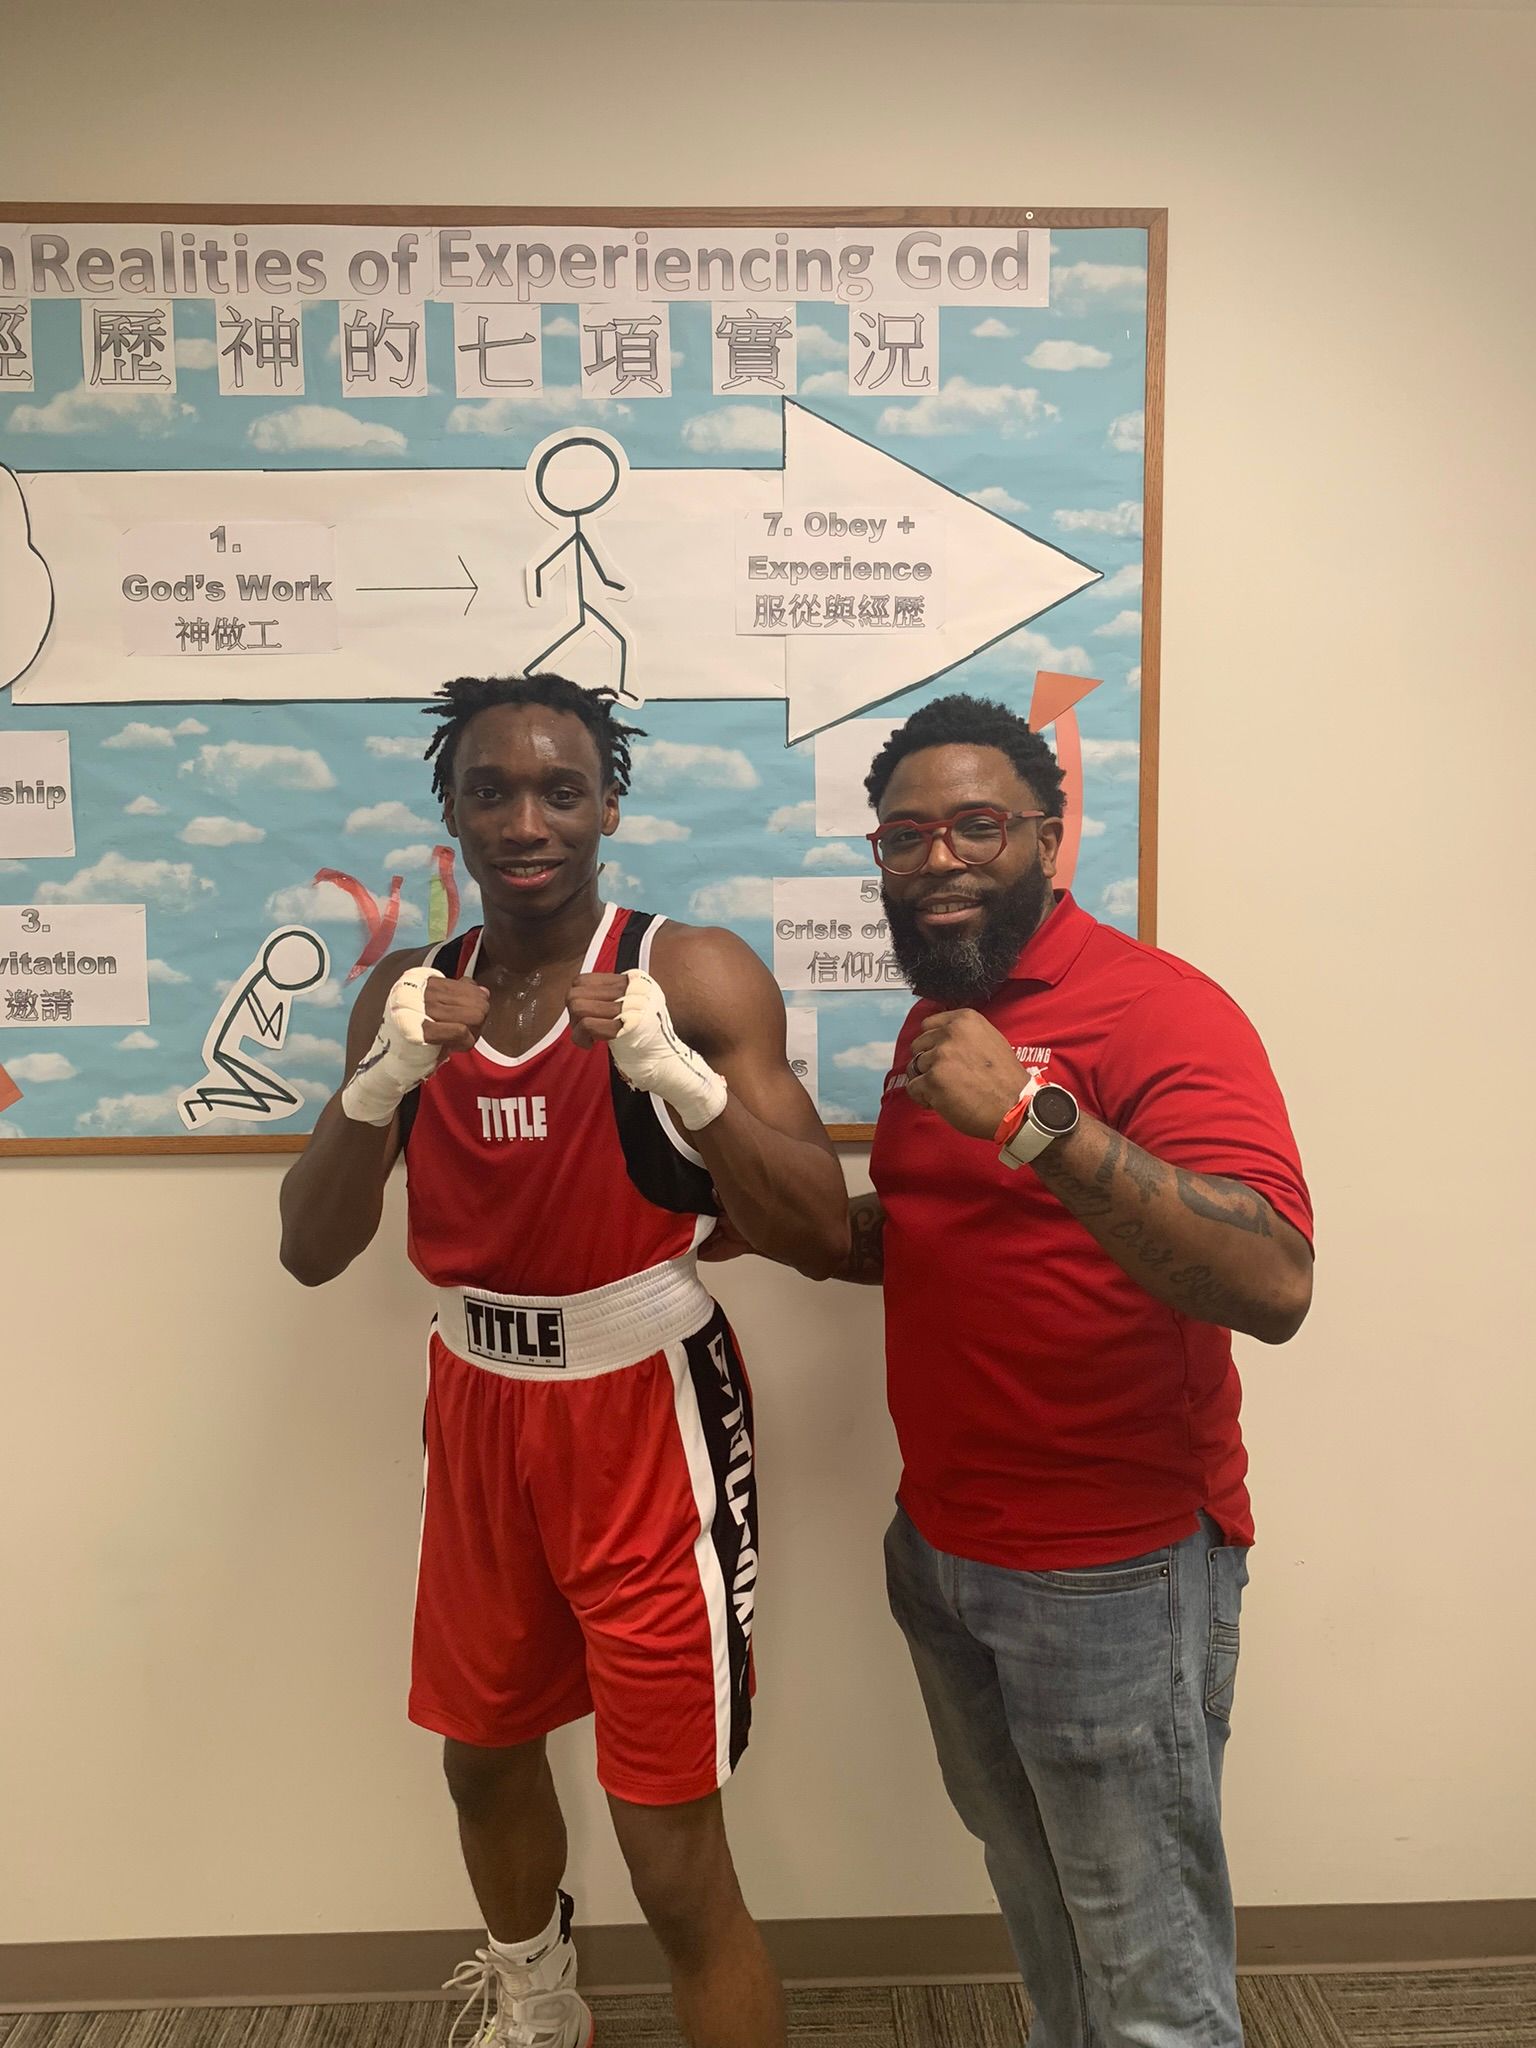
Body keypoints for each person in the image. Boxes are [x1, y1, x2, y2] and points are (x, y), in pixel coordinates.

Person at [729, 691, 1313, 2047]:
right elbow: (946, 1235)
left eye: (977, 827)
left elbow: (1275, 1280)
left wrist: (1034, 1120)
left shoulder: (1157, 1012)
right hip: (943, 1548)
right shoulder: (942, 1024)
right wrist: (779, 1224)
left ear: (1049, 839)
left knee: (1150, 1969)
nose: (938, 860)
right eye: (905, 836)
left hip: (1112, 1570)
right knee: (1044, 1914)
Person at [279, 672, 849, 2048]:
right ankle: (538, 2004)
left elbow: (822, 1228)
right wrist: (380, 1085)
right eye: (492, 791)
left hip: (647, 1412)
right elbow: (310, 1248)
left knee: (667, 1852)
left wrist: (682, 1079)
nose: (525, 819)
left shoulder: (691, 972)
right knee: (481, 1760)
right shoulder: (408, 997)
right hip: (478, 1405)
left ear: (607, 804)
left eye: (558, 789)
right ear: (454, 814)